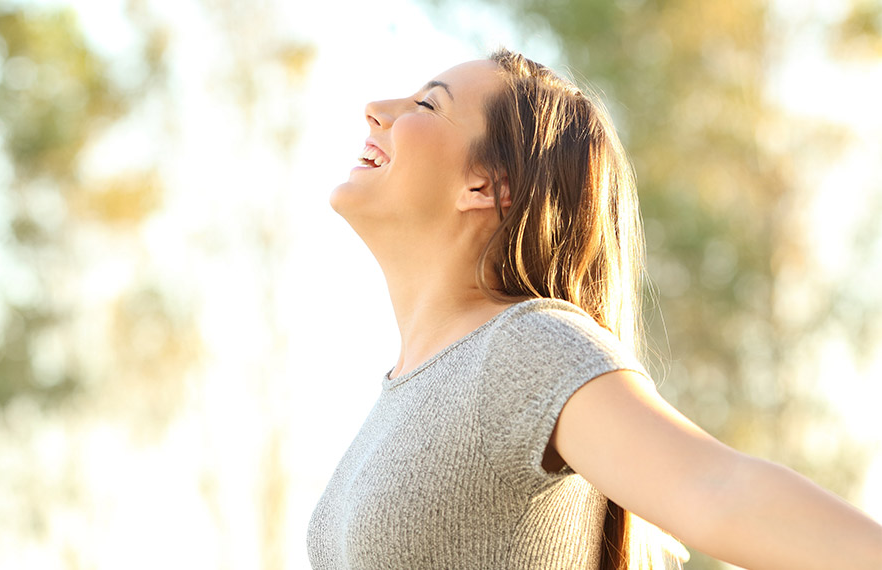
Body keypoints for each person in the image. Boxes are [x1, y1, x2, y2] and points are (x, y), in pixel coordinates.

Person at [305, 49, 882, 570]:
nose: (376, 109)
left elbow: (718, 489)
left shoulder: (522, 347)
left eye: (427, 104)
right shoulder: (401, 394)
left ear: (487, 186)